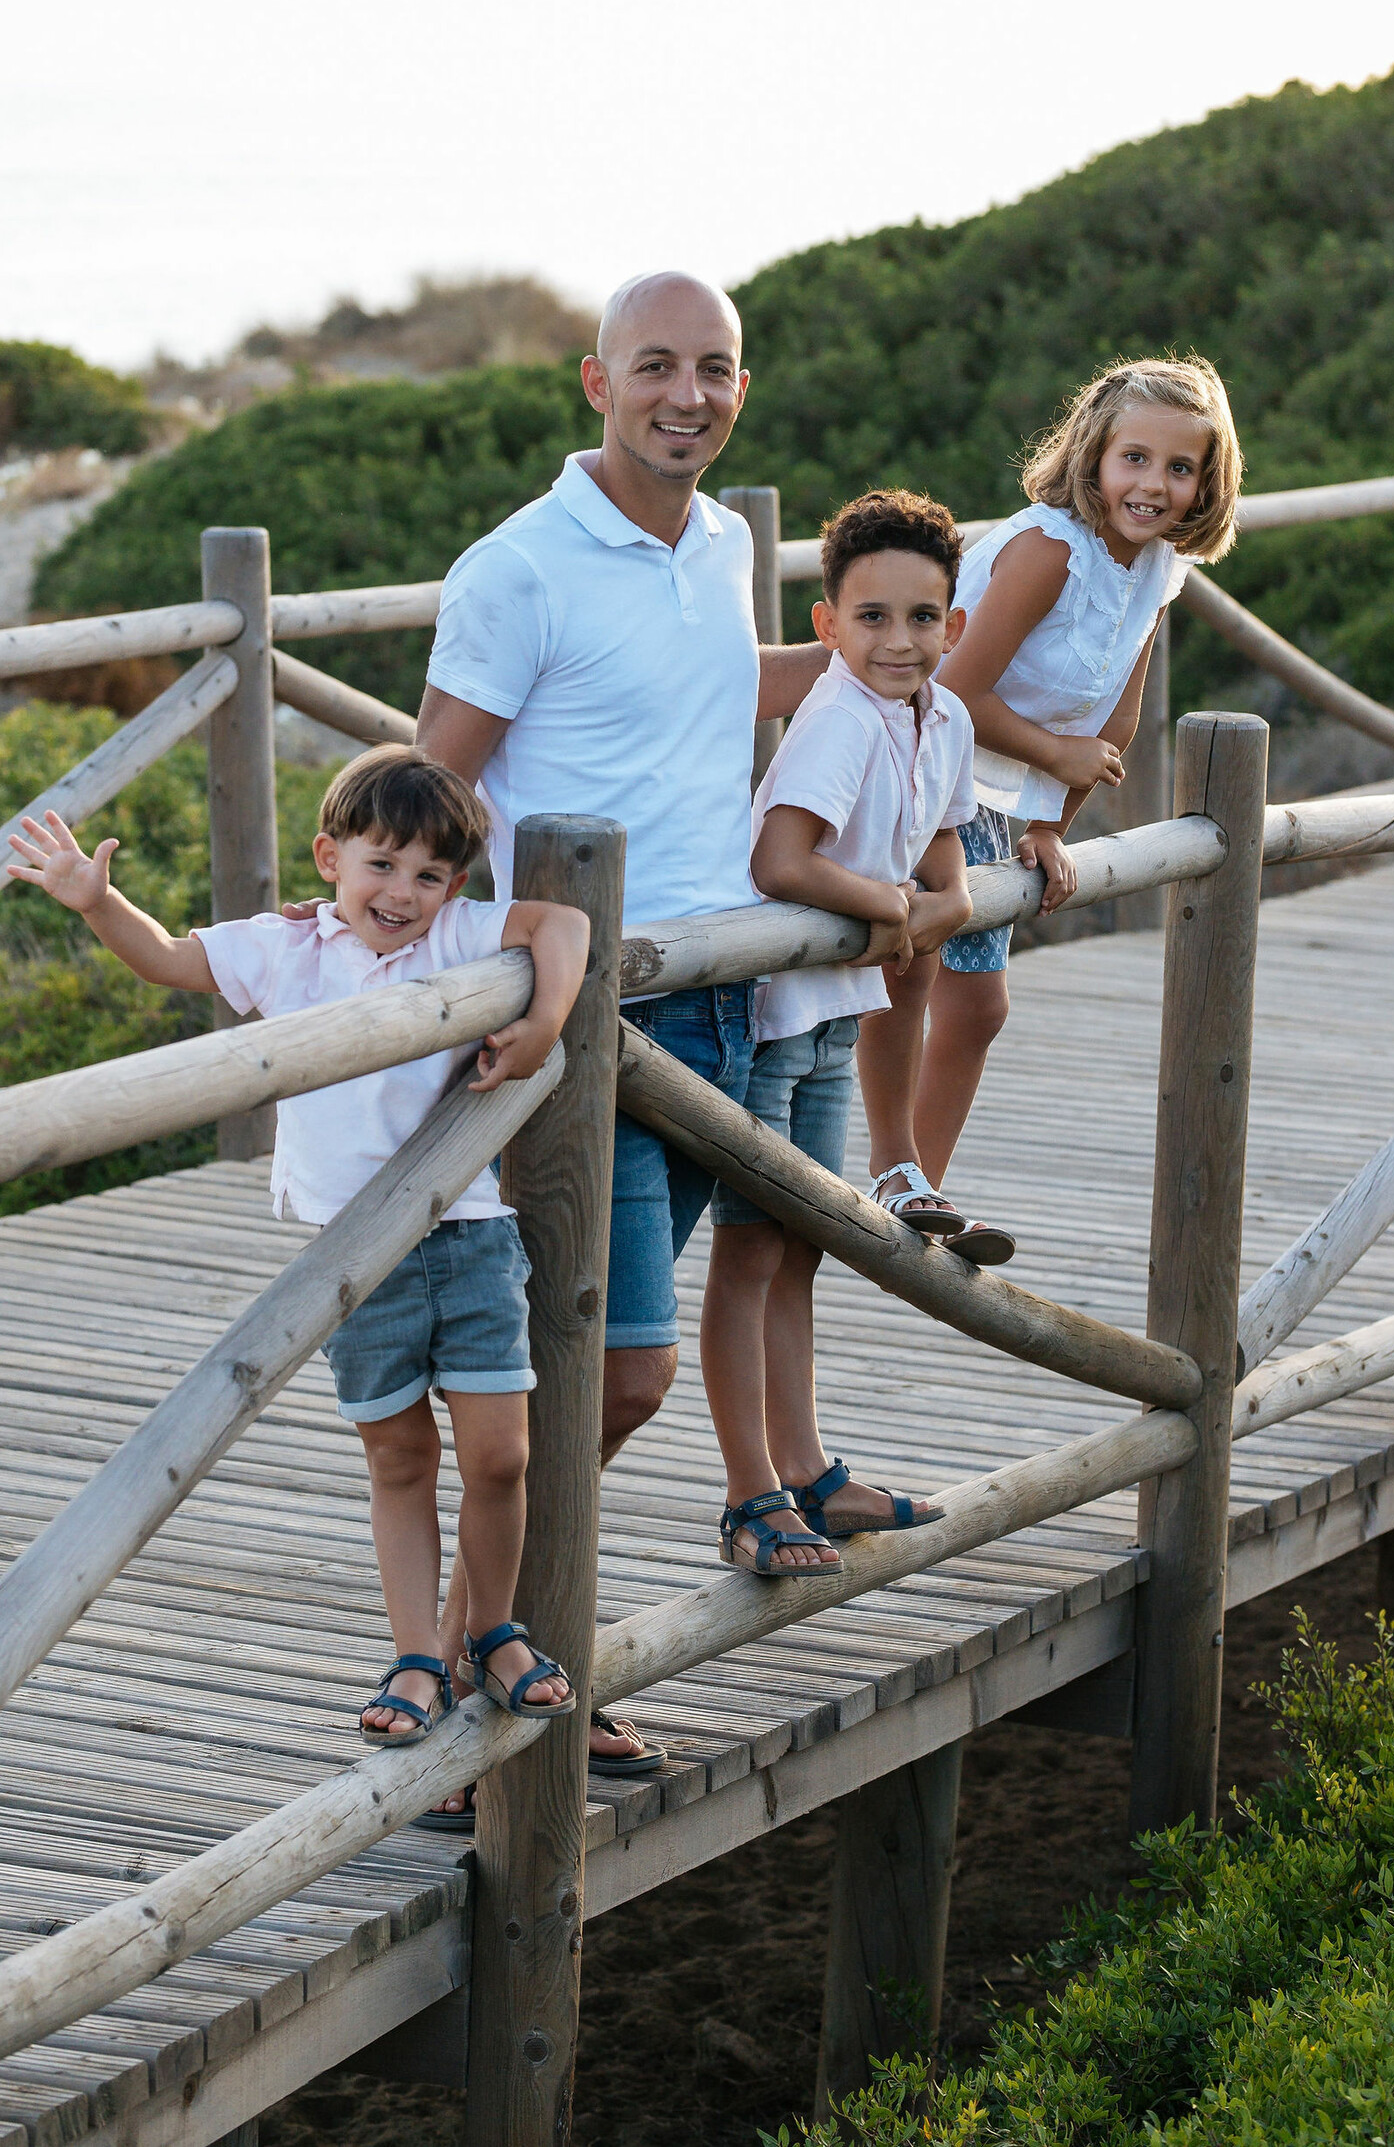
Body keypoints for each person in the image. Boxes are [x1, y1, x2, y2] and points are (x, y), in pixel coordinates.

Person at [414, 269, 829, 1778]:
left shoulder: (724, 544)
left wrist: (899, 656)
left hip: (727, 999)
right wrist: (454, 983)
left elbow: (711, 700)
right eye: (657, 366)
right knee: (616, 1370)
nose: (690, 396)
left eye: (716, 369)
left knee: (603, 1365)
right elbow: (434, 793)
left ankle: (502, 1664)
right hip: (590, 1018)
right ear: (595, 383)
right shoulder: (517, 568)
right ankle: (478, 1662)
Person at [4, 745, 590, 1755]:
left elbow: (564, 921)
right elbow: (177, 961)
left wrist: (543, 1021)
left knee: (502, 1456)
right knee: (399, 1457)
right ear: (330, 857)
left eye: (429, 875)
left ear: (455, 886)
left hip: (467, 1234)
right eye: (381, 865)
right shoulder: (286, 950)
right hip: (354, 1255)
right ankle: (416, 1655)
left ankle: (490, 1629)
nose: (402, 894)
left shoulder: (456, 935)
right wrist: (97, 903)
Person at [855, 353, 1244, 1216]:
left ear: (1208, 482)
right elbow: (950, 692)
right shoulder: (1048, 551)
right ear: (1093, 456)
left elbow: (1112, 727)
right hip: (915, 767)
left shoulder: (1158, 570)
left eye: (1181, 468)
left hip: (998, 797)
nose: (1154, 485)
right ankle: (894, 1169)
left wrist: (1049, 825)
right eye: (1135, 458)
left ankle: (920, 1193)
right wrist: (1052, 757)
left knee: (980, 1005)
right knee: (913, 968)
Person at [703, 488, 1011, 1574]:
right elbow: (780, 862)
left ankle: (812, 1473)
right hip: (775, 1019)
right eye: (871, 618)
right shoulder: (835, 715)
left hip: (843, 1013)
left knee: (803, 1248)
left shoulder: (948, 717)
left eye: (923, 618)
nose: (899, 640)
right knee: (749, 1252)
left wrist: (946, 902)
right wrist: (896, 909)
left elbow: (944, 858)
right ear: (826, 626)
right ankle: (753, 1493)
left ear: (954, 626)